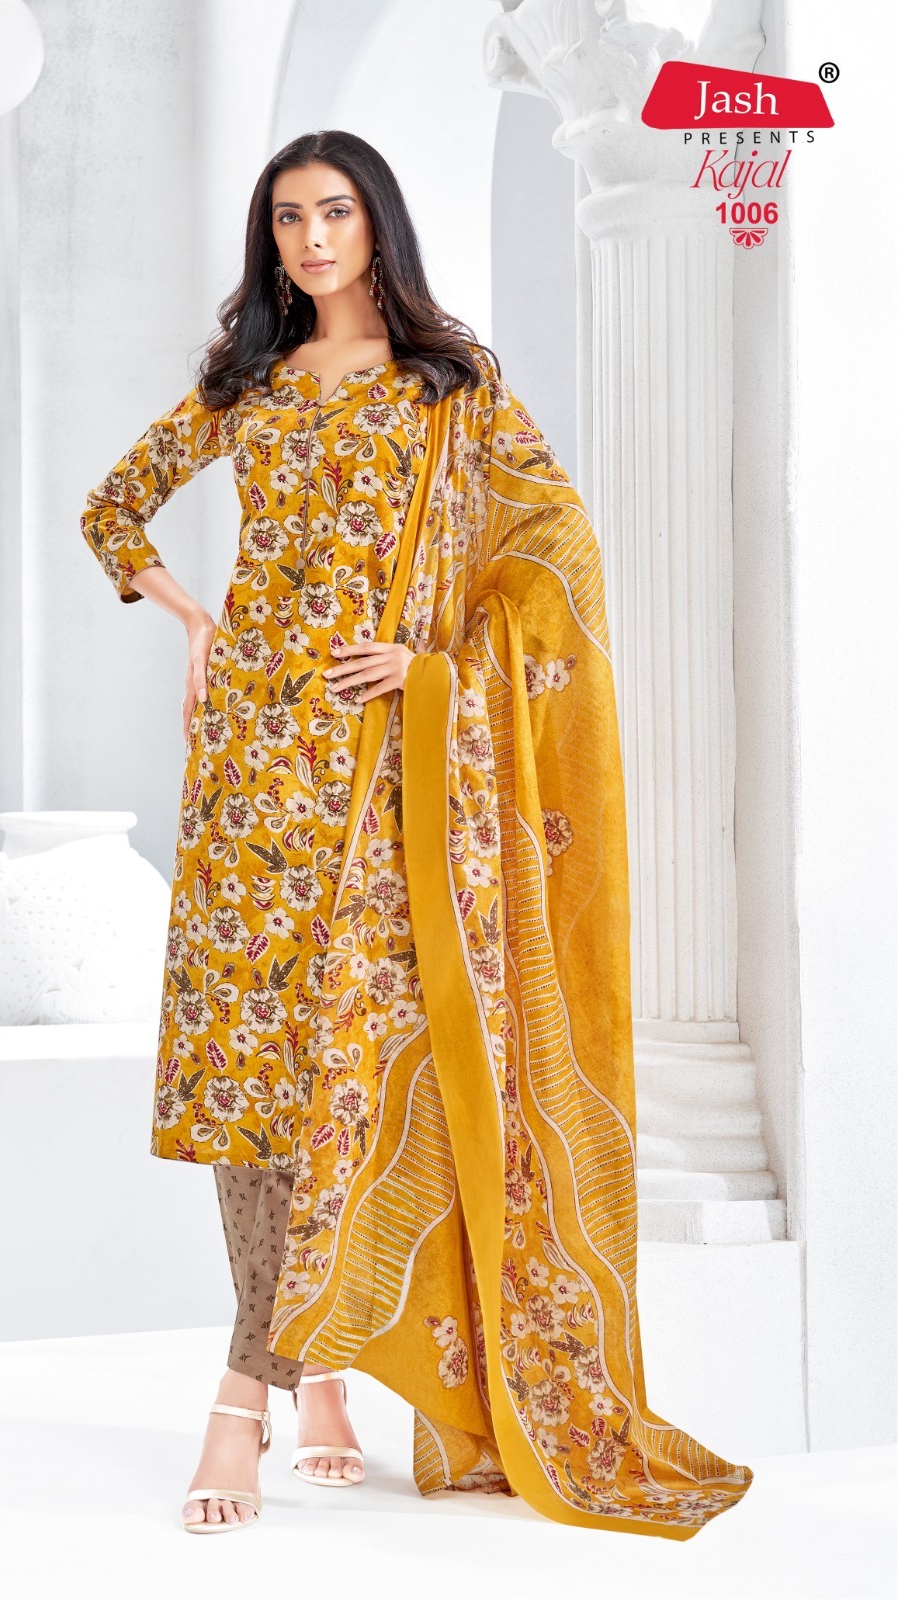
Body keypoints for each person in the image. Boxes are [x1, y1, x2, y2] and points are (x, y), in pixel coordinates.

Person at [81, 129, 754, 1540]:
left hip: (389, 778)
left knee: (351, 1061)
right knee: (257, 1076)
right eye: (287, 219)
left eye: (334, 212)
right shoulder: (248, 383)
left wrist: (436, 666)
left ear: (378, 223)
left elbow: (554, 564)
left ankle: (244, 1398)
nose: (312, 239)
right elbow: (112, 508)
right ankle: (310, 1377)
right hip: (250, 772)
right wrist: (194, 621)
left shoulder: (455, 387)